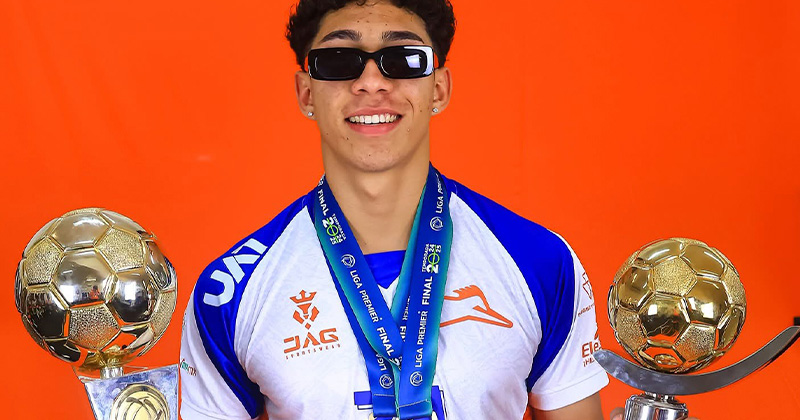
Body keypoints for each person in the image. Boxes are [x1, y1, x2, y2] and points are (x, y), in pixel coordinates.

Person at [179, 1, 699, 419]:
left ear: (440, 88)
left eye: (403, 59)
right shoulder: (229, 291)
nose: (371, 82)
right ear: (305, 92)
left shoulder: (540, 261)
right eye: (339, 61)